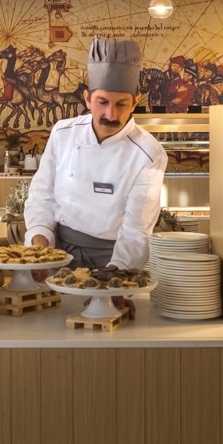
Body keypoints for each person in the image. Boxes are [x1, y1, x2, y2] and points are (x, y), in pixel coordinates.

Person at [23, 37, 167, 316]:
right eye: (102, 102)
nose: (110, 114)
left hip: (112, 262)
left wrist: (111, 283)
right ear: (87, 99)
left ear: (136, 102)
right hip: (57, 255)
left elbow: (136, 231)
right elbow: (42, 194)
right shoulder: (62, 133)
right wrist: (39, 245)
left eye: (121, 104)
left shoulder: (149, 153)